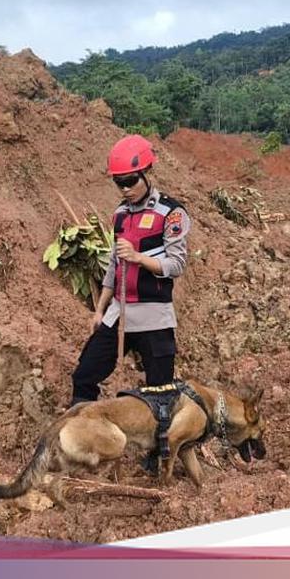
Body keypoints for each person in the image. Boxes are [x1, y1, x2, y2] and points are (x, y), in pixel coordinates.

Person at [70, 135, 191, 408]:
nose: (125, 188)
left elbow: (177, 265)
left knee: (160, 395)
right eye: (118, 182)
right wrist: (100, 310)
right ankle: (85, 434)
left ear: (146, 173)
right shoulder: (120, 215)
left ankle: (159, 448)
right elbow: (114, 266)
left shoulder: (171, 213)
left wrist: (137, 257)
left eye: (130, 180)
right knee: (84, 375)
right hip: (119, 313)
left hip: (154, 316)